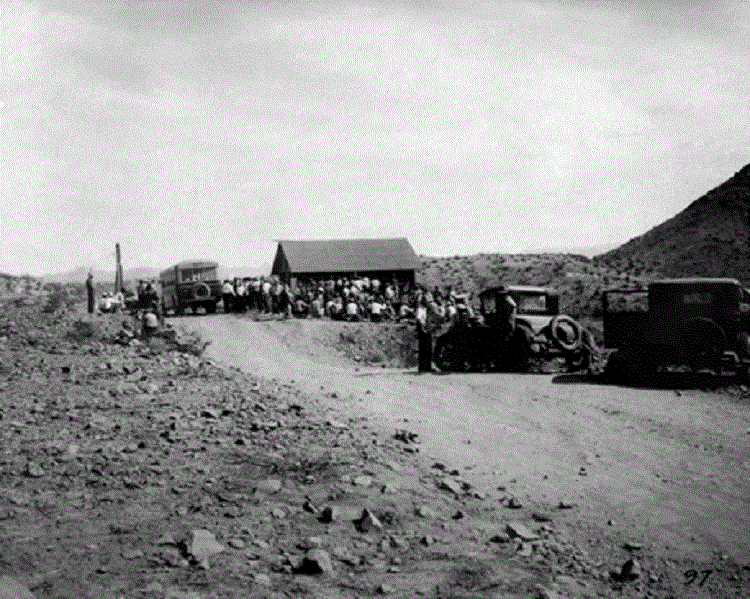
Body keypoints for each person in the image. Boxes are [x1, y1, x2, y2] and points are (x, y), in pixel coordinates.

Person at [416, 292, 441, 373]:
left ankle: (427, 366)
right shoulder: (420, 309)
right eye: (427, 298)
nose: (428, 300)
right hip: (423, 329)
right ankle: (422, 367)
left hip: (427, 329)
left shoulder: (427, 308)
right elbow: (419, 319)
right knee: (423, 348)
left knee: (428, 348)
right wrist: (423, 329)